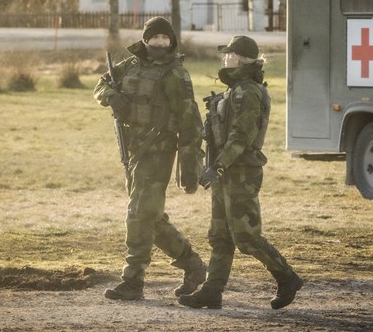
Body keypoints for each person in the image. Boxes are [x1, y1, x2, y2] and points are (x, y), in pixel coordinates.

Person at [178, 35, 303, 310]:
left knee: (246, 236)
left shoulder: (248, 91)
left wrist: (217, 166)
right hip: (227, 170)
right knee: (220, 235)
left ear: (239, 58)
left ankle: (288, 277)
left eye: (229, 54)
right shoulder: (235, 90)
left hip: (241, 171)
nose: (225, 58)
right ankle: (212, 291)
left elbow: (241, 137)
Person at [93, 17, 206, 301]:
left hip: (159, 152)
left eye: (164, 39)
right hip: (135, 151)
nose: (158, 43)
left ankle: (133, 281)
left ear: (171, 42)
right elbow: (101, 85)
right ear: (145, 40)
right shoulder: (130, 65)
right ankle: (193, 265)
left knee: (138, 213)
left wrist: (190, 166)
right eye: (153, 38)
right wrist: (111, 97)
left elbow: (191, 122)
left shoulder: (176, 74)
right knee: (150, 216)